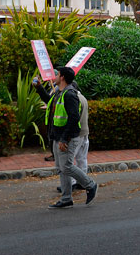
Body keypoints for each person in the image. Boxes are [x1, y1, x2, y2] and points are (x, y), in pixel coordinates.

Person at [36, 66, 97, 208]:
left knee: (67, 167)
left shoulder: (69, 95)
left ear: (62, 77)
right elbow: (49, 101)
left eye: (57, 74)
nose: (55, 77)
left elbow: (74, 118)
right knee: (61, 168)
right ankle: (66, 199)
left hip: (66, 138)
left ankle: (90, 184)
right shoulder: (59, 93)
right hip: (57, 136)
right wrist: (39, 88)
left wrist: (64, 139)